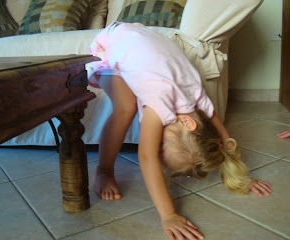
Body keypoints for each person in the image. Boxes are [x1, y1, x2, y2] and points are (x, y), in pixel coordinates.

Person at [87, 22, 272, 240]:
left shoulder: (198, 100)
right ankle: (104, 170)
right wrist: (168, 215)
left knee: (133, 97)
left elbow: (225, 141)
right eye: (161, 145)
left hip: (144, 37)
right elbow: (146, 158)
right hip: (113, 40)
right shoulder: (159, 101)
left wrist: (241, 177)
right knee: (125, 108)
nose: (154, 144)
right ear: (187, 123)